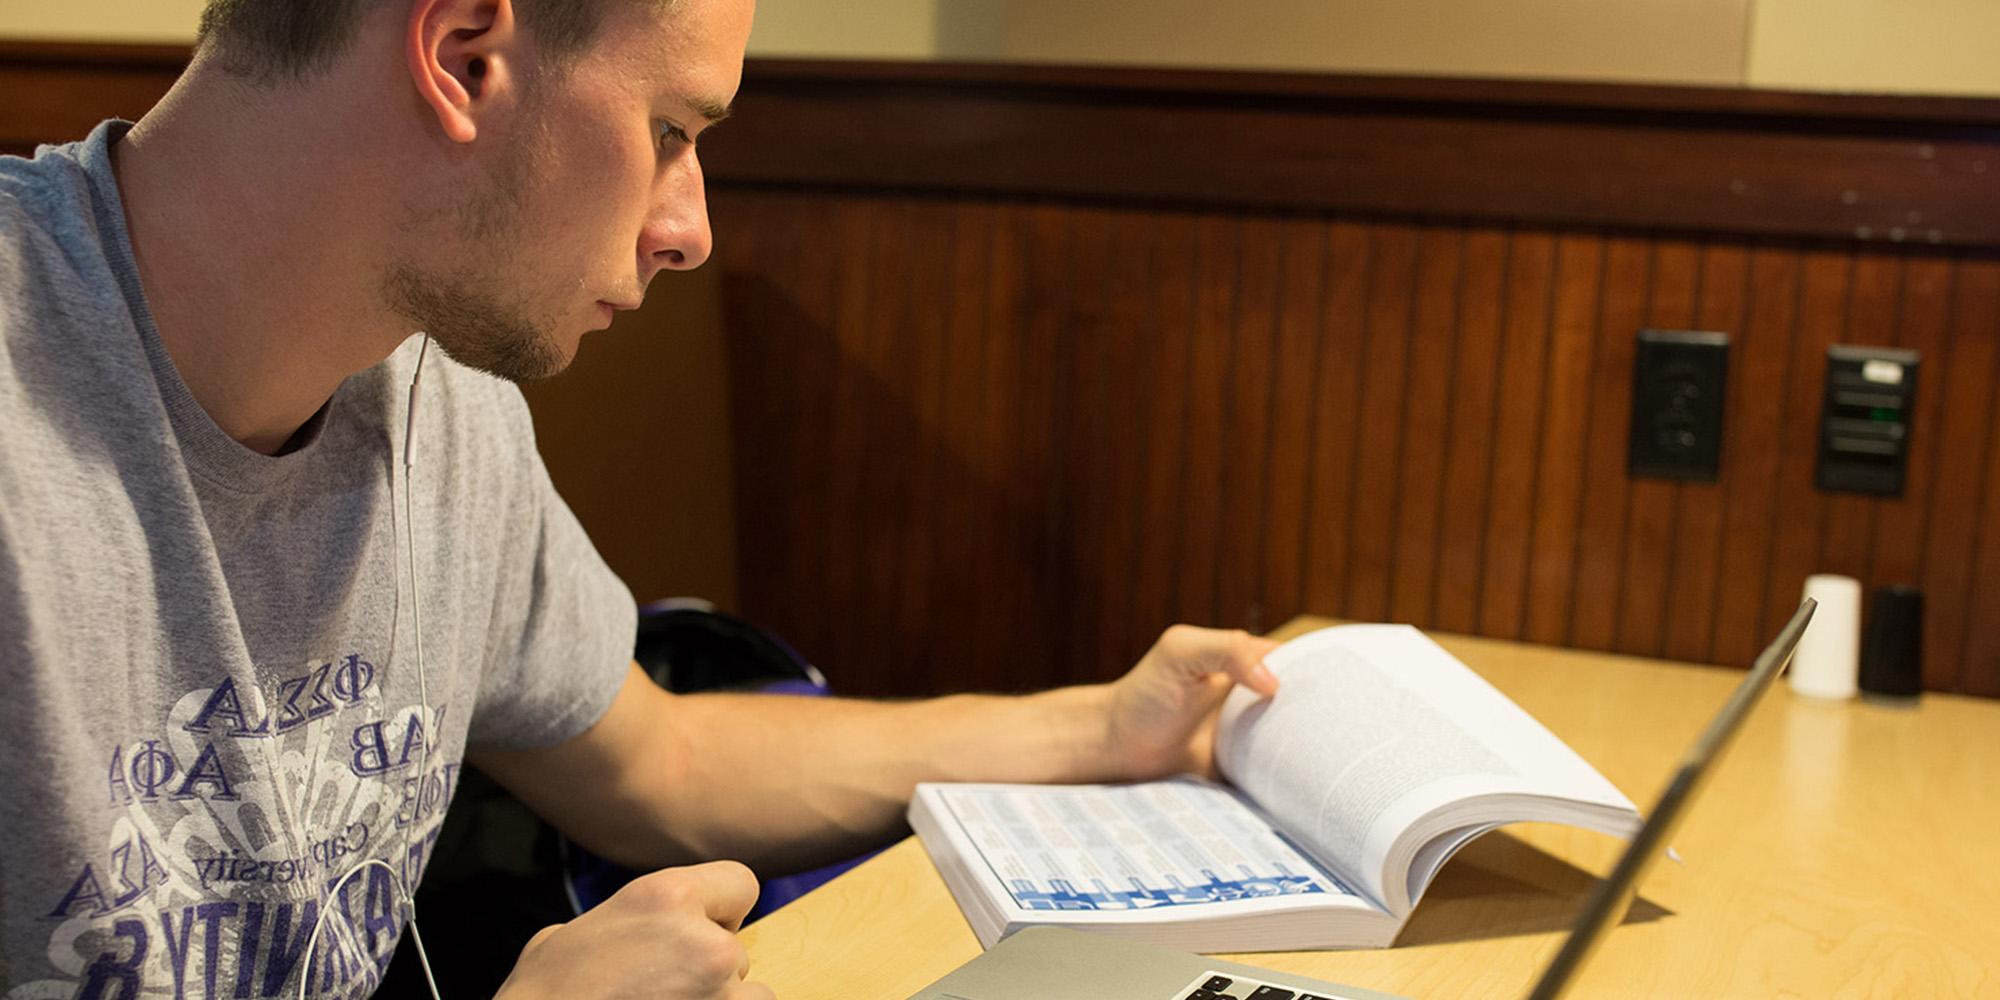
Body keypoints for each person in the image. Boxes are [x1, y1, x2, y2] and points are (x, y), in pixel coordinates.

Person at [0, 0, 1282, 997]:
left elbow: (658, 759)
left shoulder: (437, 391)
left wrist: (1098, 731)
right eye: (671, 130)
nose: (690, 228)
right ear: (461, 53)